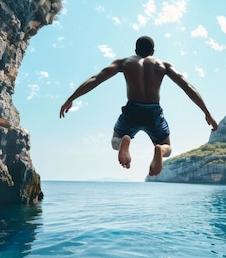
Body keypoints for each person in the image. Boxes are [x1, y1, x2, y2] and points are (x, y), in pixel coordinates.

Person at [60, 36, 218, 177]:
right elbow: (187, 86)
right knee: (167, 146)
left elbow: (96, 78)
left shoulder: (124, 62)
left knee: (115, 140)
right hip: (154, 112)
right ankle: (160, 150)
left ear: (135, 50)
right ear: (153, 51)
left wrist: (71, 98)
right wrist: (207, 113)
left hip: (132, 110)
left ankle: (124, 142)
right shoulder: (163, 65)